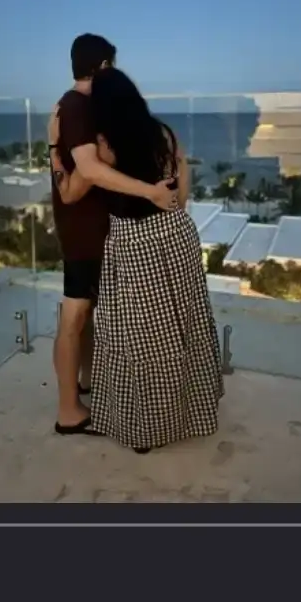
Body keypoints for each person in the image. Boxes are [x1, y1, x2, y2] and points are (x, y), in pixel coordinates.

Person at [53, 67, 223, 453]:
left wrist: (54, 151)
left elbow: (70, 192)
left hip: (134, 243)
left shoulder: (103, 146)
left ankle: (145, 431)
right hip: (177, 233)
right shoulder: (165, 133)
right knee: (183, 325)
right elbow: (182, 188)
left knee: (137, 338)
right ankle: (189, 414)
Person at [48, 35, 177, 436]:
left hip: (92, 228)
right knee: (74, 314)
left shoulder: (75, 107)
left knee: (83, 314)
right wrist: (150, 191)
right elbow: (88, 169)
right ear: (103, 64)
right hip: (86, 231)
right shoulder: (77, 107)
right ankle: (68, 410)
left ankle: (83, 386)